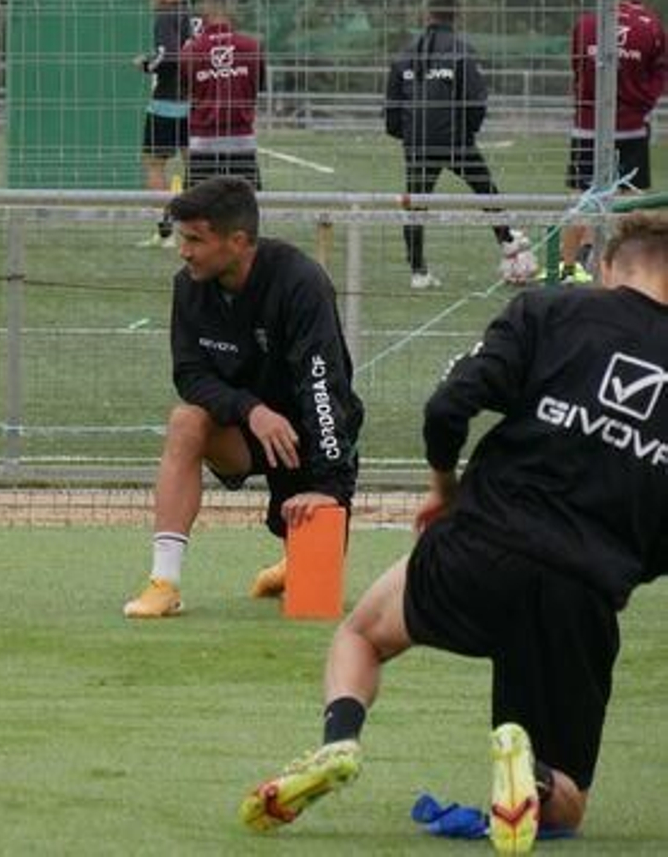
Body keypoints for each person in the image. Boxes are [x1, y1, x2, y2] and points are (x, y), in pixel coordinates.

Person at [239, 210, 668, 854]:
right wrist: (625, 565)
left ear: (608, 268)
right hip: (585, 588)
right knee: (569, 807)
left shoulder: (547, 312)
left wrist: (445, 488)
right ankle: (534, 774)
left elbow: (446, 406)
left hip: (482, 543)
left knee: (361, 633)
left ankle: (339, 741)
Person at [124, 177, 362, 619]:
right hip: (243, 430)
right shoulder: (188, 286)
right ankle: (164, 583)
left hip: (310, 437)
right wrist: (251, 411)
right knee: (185, 421)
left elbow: (323, 385)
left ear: (237, 241)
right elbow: (190, 375)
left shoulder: (301, 282)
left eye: (195, 239)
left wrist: (329, 486)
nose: (184, 250)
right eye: (182, 237)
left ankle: (294, 563)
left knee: (312, 599)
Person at [385, 0, 538, 290]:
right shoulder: (461, 52)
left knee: (416, 205)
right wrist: (466, 133)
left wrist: (405, 135)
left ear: (426, 15)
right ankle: (506, 241)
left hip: (418, 143)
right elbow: (477, 101)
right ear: (457, 17)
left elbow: (392, 104)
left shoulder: (405, 54)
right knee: (485, 189)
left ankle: (418, 272)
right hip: (455, 140)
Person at [560, 0, 667, 283]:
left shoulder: (587, 24)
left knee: (582, 196)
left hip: (587, 123)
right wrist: (642, 103)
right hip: (629, 126)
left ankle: (567, 268)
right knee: (630, 199)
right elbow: (660, 71)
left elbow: (577, 68)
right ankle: (629, 269)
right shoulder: (650, 25)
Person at [137, 0, 200, 250]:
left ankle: (167, 232)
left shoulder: (164, 15)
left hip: (165, 101)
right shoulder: (191, 13)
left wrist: (146, 65)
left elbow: (169, 56)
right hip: (194, 102)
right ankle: (196, 231)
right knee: (195, 167)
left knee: (153, 165)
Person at [178, 0, 265, 190]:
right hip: (241, 140)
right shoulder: (251, 46)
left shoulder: (192, 49)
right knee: (245, 210)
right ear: (233, 10)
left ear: (205, 10)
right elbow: (256, 87)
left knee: (197, 212)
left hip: (203, 142)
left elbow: (185, 90)